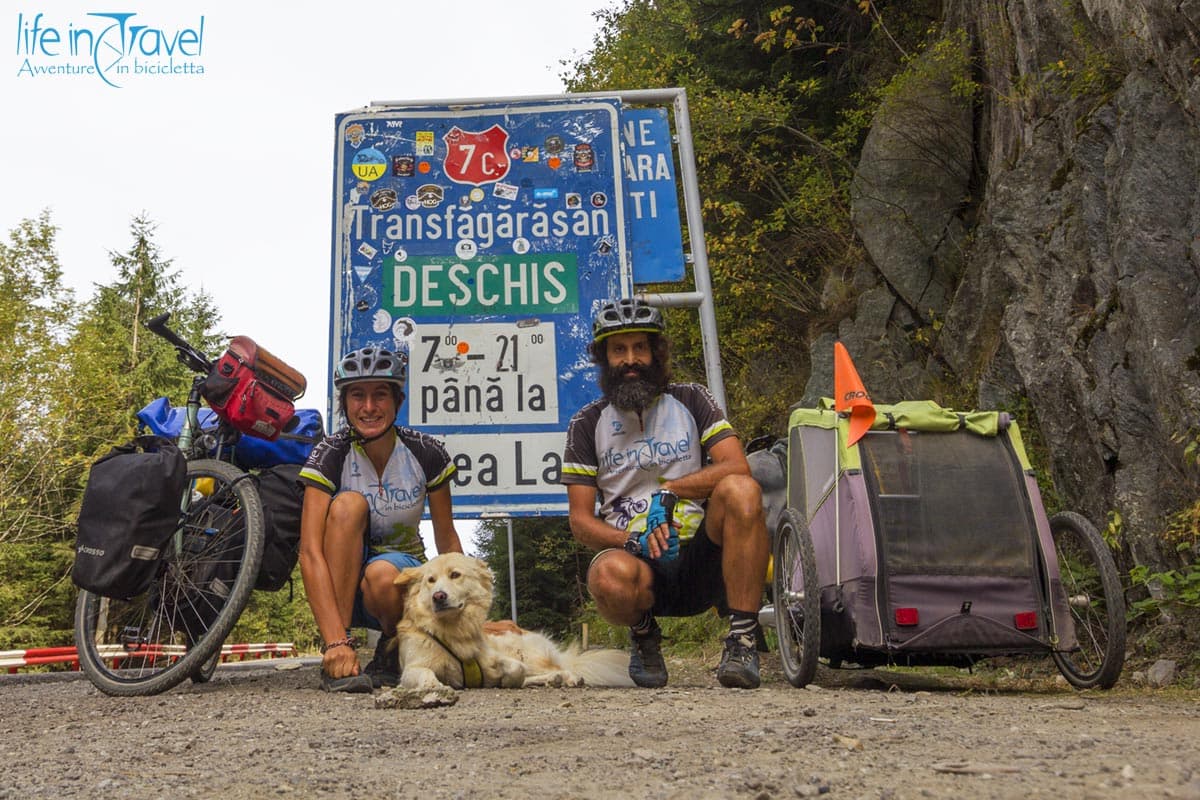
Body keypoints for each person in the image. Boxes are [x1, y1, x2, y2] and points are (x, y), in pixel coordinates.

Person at [561, 298, 770, 689]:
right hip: (638, 563)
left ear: (656, 352)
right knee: (606, 575)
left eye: (640, 347)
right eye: (618, 350)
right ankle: (643, 634)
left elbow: (736, 466)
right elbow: (581, 521)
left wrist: (671, 490)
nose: (630, 360)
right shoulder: (586, 424)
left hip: (702, 552)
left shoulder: (692, 399)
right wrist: (631, 540)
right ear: (604, 358)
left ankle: (741, 640)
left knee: (742, 490)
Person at [298, 345, 464, 693]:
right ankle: (341, 649)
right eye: (357, 395)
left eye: (380, 395)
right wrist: (332, 642)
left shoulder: (426, 452)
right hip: (341, 587)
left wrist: (468, 613)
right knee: (347, 506)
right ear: (344, 403)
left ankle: (391, 647)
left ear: (397, 401)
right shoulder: (330, 453)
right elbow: (310, 552)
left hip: (399, 586)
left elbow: (447, 542)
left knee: (382, 574)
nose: (369, 407)